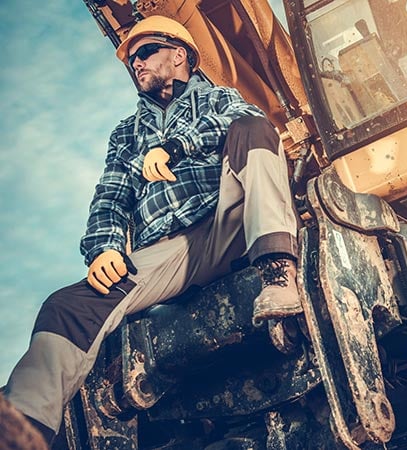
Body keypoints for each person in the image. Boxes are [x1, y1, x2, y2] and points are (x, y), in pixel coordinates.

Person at [3, 15, 302, 446]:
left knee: (254, 131)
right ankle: (21, 432)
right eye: (131, 60)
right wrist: (104, 247)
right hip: (171, 250)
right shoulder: (126, 134)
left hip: (229, 222)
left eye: (144, 52)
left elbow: (247, 120)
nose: (136, 63)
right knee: (66, 306)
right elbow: (110, 196)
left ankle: (278, 275)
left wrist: (177, 145)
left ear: (179, 54)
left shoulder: (219, 99)